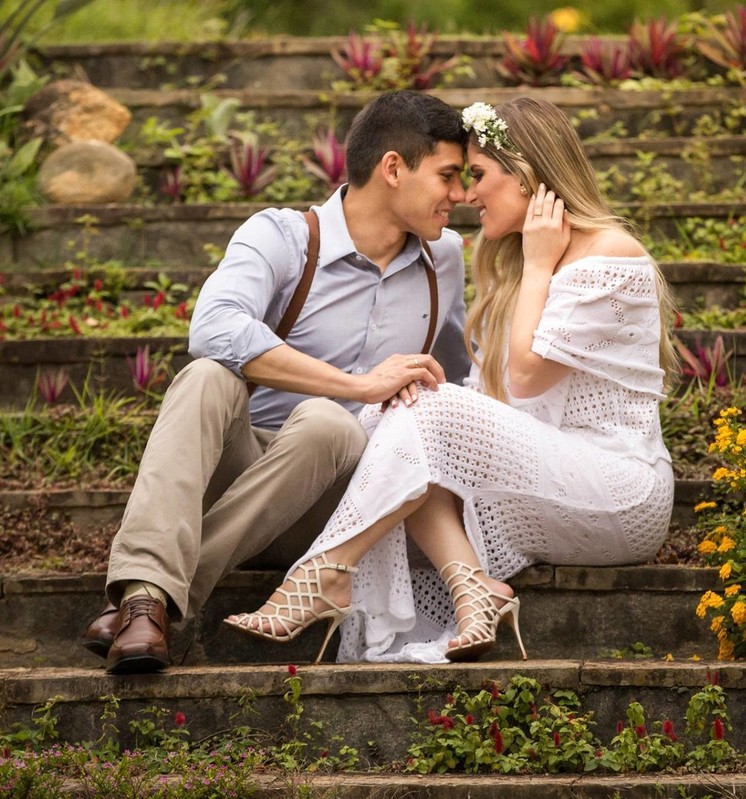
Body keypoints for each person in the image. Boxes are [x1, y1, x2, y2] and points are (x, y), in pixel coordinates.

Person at [224, 97, 678, 664]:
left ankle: (323, 576)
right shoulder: (516, 267)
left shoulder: (608, 253)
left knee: (425, 407)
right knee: (408, 405)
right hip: (541, 483)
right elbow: (492, 400)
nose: (467, 195)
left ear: (530, 179)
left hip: (619, 492)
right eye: (460, 177)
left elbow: (527, 378)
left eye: (480, 176)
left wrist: (540, 266)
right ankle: (474, 592)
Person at [82, 90, 472, 674]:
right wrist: (357, 383)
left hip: (333, 509)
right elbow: (213, 327)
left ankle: (148, 600)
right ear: (393, 168)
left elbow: (457, 375)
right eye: (448, 176)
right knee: (206, 377)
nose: (460, 195)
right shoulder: (284, 237)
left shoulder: (445, 259)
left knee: (327, 423)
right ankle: (147, 598)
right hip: (241, 473)